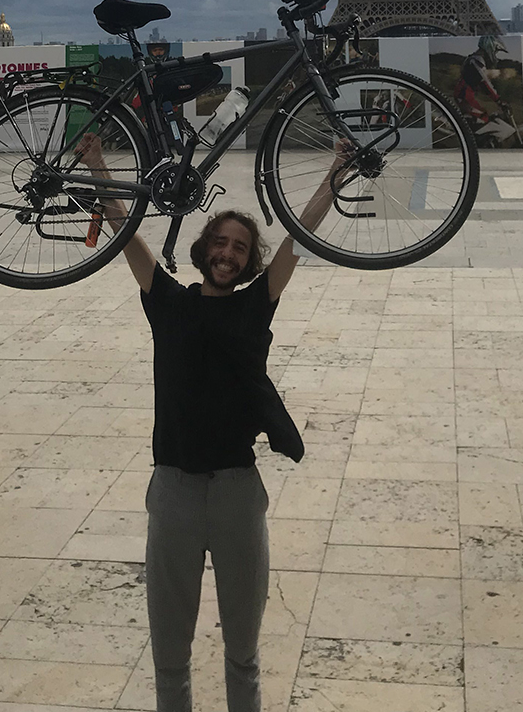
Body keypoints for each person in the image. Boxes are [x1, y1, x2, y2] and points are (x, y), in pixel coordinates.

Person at [79, 132, 349, 712]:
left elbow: (301, 235)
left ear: (251, 262)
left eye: (241, 249)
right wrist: (100, 165)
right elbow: (126, 232)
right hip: (173, 489)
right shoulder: (167, 300)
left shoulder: (258, 304)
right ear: (204, 250)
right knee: (170, 659)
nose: (229, 253)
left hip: (235, 493)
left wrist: (336, 171)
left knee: (243, 656)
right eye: (220, 244)